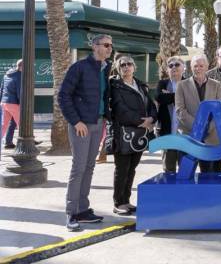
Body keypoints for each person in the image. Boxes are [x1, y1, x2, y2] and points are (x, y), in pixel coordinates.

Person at [58, 34, 113, 231]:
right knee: (79, 167)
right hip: (81, 125)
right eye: (106, 45)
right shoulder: (79, 67)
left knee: (89, 166)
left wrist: (105, 116)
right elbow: (63, 96)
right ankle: (71, 212)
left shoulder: (105, 69)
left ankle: (82, 209)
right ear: (95, 46)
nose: (110, 48)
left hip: (98, 123)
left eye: (111, 45)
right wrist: (76, 121)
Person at [108, 56, 157, 215]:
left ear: (134, 67)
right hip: (123, 134)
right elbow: (119, 109)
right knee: (122, 168)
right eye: (122, 65)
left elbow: (151, 105)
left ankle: (126, 201)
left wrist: (152, 118)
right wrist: (141, 122)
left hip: (139, 135)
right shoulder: (114, 86)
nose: (126, 67)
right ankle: (118, 202)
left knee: (132, 168)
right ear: (118, 68)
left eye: (129, 64)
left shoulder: (141, 85)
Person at [176, 54, 221, 173]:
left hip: (210, 136)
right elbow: (180, 110)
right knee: (186, 173)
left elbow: (219, 110)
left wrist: (208, 127)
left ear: (207, 67)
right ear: (191, 67)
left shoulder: (216, 85)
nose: (198, 68)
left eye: (201, 66)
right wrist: (198, 127)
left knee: (210, 175)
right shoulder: (181, 85)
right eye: (195, 66)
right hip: (189, 134)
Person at [156, 56, 185, 173]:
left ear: (184, 68)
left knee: (186, 170)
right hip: (167, 132)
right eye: (170, 66)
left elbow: (191, 101)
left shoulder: (189, 83)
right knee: (168, 170)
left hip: (185, 134)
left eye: (177, 65)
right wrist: (178, 97)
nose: (174, 67)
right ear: (167, 70)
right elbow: (159, 98)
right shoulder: (162, 83)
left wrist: (170, 96)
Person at [1, 60, 22, 150]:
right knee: (22, 124)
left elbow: (1, 88)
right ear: (22, 66)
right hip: (13, 103)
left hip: (4, 102)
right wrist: (22, 104)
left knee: (4, 125)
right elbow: (19, 91)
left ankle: (8, 142)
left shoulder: (7, 74)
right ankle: (28, 142)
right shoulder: (19, 76)